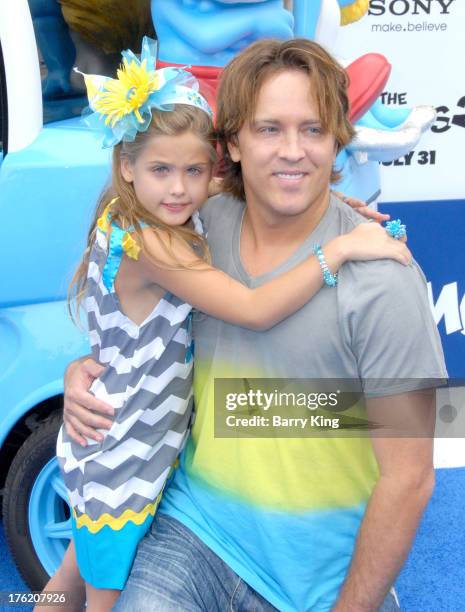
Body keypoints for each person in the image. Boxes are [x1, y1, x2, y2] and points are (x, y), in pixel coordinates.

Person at [61, 39, 447, 611]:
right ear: (233, 143)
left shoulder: (383, 277)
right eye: (270, 130)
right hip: (192, 533)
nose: (293, 151)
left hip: (317, 582)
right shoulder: (195, 228)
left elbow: (410, 478)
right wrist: (83, 371)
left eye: (313, 131)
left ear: (337, 140)